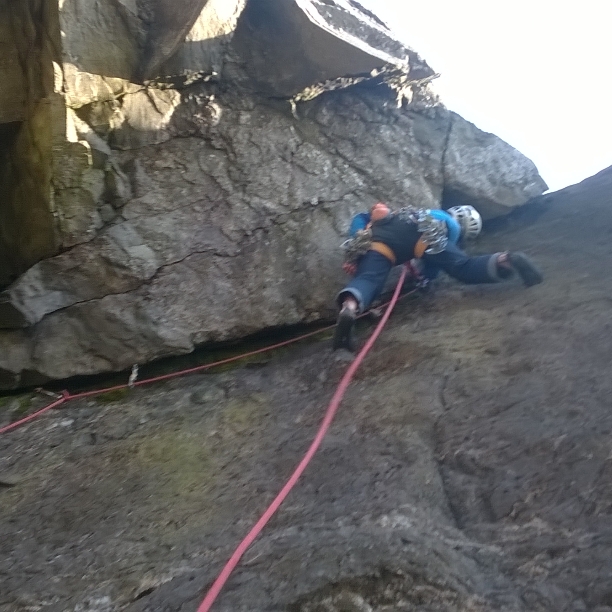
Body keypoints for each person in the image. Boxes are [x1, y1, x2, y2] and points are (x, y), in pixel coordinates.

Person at [333, 202, 543, 351]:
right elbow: (437, 265)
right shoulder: (450, 226)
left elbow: (360, 219)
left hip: (382, 239)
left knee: (368, 279)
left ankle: (349, 308)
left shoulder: (428, 211)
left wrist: (356, 249)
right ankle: (507, 259)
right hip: (426, 235)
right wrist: (425, 279)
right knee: (464, 267)